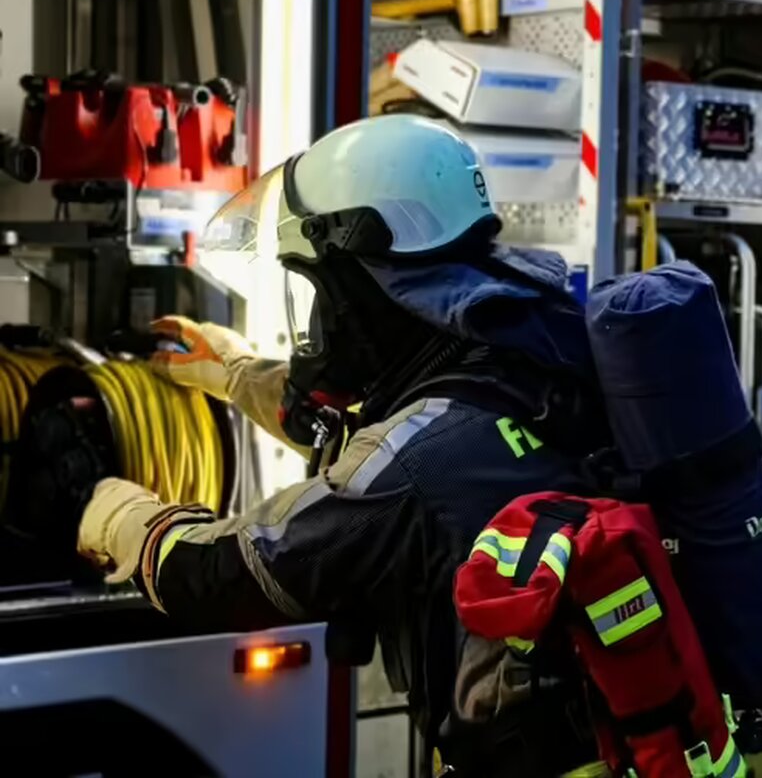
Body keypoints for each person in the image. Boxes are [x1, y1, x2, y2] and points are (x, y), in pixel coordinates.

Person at [76, 115, 611, 777]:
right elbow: (393, 434)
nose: (316, 317)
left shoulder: (417, 461)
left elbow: (229, 577)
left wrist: (122, 520)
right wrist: (238, 376)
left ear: (362, 285)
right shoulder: (538, 349)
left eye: (318, 288)